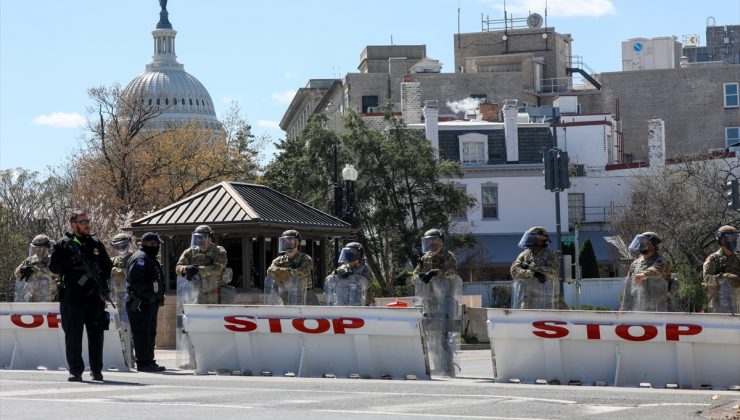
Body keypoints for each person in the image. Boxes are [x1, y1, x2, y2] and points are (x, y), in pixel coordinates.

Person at [49, 211, 112, 382]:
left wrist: (102, 286)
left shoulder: (96, 243)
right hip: (72, 299)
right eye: (82, 221)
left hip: (94, 299)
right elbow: (53, 267)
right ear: (73, 224)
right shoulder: (63, 244)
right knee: (73, 336)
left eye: (88, 221)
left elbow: (108, 266)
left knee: (97, 335)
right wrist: (72, 262)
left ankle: (97, 370)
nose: (87, 224)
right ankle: (75, 371)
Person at [412, 229, 462, 376]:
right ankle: (437, 366)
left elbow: (452, 272)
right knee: (432, 336)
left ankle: (447, 368)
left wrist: (436, 272)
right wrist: (419, 277)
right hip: (429, 302)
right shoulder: (424, 258)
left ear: (441, 240)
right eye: (429, 240)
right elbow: (414, 276)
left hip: (445, 301)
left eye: (435, 239)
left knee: (444, 337)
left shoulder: (448, 256)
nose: (432, 242)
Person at [126, 232, 166, 372]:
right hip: (141, 303)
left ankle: (149, 360)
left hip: (150, 302)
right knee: (142, 333)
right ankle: (143, 363)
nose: (156, 247)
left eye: (157, 245)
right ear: (146, 244)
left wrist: (157, 297)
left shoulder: (150, 258)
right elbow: (135, 281)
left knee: (150, 332)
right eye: (154, 244)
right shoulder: (140, 258)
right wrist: (148, 296)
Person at [510, 226, 563, 309]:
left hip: (546, 301)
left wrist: (530, 267)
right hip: (527, 301)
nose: (529, 240)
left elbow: (553, 272)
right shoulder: (525, 254)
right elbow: (514, 271)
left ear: (541, 240)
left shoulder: (550, 255)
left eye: (532, 238)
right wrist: (532, 273)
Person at [620, 231, 672, 312]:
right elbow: (628, 285)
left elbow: (656, 270)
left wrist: (643, 274)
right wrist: (624, 307)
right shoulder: (635, 263)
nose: (641, 245)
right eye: (640, 242)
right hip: (638, 306)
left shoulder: (661, 261)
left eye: (644, 242)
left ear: (653, 245)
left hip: (659, 308)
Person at [175, 225, 228, 304]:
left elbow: (218, 269)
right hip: (198, 292)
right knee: (194, 314)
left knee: (215, 315)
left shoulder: (219, 251)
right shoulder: (190, 252)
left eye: (202, 237)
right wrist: (186, 268)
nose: (200, 240)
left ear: (210, 238)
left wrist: (197, 269)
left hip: (216, 292)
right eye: (198, 237)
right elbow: (178, 268)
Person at [265, 229, 313, 305]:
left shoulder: (305, 258)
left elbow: (303, 271)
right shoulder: (279, 260)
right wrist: (283, 272)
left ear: (297, 242)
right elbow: (270, 271)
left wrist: (285, 272)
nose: (288, 243)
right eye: (286, 241)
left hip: (304, 296)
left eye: (291, 240)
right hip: (284, 296)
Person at [110, 233, 135, 367]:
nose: (121, 249)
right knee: (118, 331)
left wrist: (123, 273)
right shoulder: (113, 261)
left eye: (123, 245)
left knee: (130, 330)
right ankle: (120, 358)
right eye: (118, 246)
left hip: (130, 299)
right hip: (116, 300)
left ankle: (130, 358)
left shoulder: (134, 258)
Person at [703, 225, 740, 313]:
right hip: (719, 305)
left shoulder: (738, 258)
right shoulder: (713, 259)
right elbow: (707, 278)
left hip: (737, 304)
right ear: (722, 240)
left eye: (735, 238)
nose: (734, 241)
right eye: (731, 238)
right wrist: (723, 277)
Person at [324, 242, 372, 306]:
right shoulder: (342, 267)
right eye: (347, 254)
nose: (349, 257)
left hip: (359, 305)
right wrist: (336, 274)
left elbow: (368, 284)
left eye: (351, 254)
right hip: (342, 304)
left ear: (359, 255)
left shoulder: (364, 268)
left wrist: (352, 275)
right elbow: (329, 281)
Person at [14, 234, 57, 302]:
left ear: (47, 248)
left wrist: (36, 270)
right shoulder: (30, 260)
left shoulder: (52, 260)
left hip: (47, 300)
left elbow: (55, 274)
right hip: (30, 300)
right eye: (36, 247)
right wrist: (22, 270)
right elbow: (16, 274)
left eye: (42, 247)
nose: (39, 250)